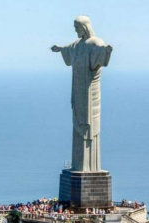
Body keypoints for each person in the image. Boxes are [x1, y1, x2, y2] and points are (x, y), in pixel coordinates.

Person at [51, 16, 112, 172]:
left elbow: (100, 57)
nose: (76, 31)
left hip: (90, 92)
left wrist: (107, 51)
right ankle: (80, 166)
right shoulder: (77, 45)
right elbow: (68, 50)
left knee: (90, 124)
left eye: (77, 28)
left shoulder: (96, 43)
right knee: (78, 123)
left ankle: (90, 167)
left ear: (85, 27)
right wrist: (60, 49)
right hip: (78, 91)